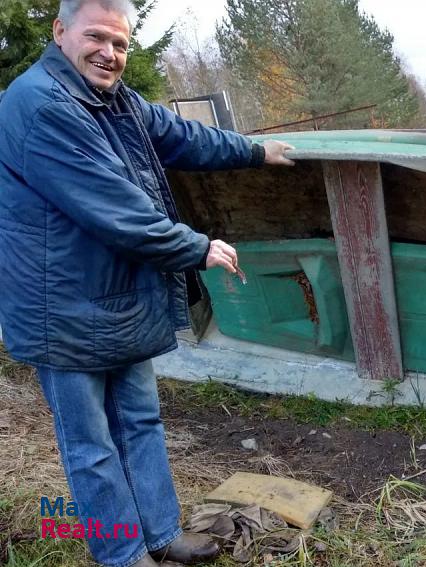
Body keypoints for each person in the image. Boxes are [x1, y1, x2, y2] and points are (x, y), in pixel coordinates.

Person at [0, 1, 295, 565]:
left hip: (114, 296)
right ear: (60, 31)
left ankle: (160, 535)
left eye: (121, 44)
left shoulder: (116, 101)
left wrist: (256, 150)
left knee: (139, 420)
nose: (109, 54)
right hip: (58, 307)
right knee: (91, 447)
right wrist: (196, 247)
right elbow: (115, 208)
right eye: (96, 38)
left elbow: (182, 136)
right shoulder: (39, 105)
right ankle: (123, 555)